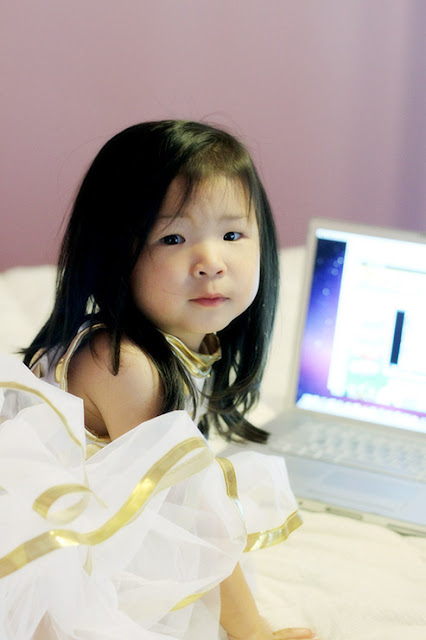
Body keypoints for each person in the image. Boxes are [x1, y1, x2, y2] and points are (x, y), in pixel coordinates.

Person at [14, 120, 316, 639]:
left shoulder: (183, 344)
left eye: (232, 234)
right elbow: (195, 512)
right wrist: (253, 630)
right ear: (115, 253)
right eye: (173, 238)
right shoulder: (124, 365)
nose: (211, 263)